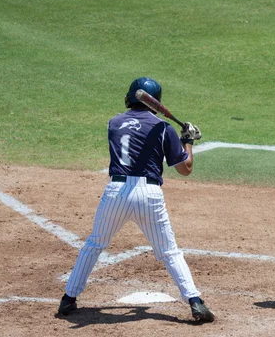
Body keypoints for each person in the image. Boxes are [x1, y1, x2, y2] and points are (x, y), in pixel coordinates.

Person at [57, 77, 214, 323]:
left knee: (94, 244)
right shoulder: (163, 129)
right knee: (169, 252)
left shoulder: (114, 122)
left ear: (130, 97)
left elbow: (136, 135)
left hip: (116, 192)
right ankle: (195, 302)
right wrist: (188, 141)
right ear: (157, 102)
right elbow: (185, 169)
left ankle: (68, 299)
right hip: (149, 195)